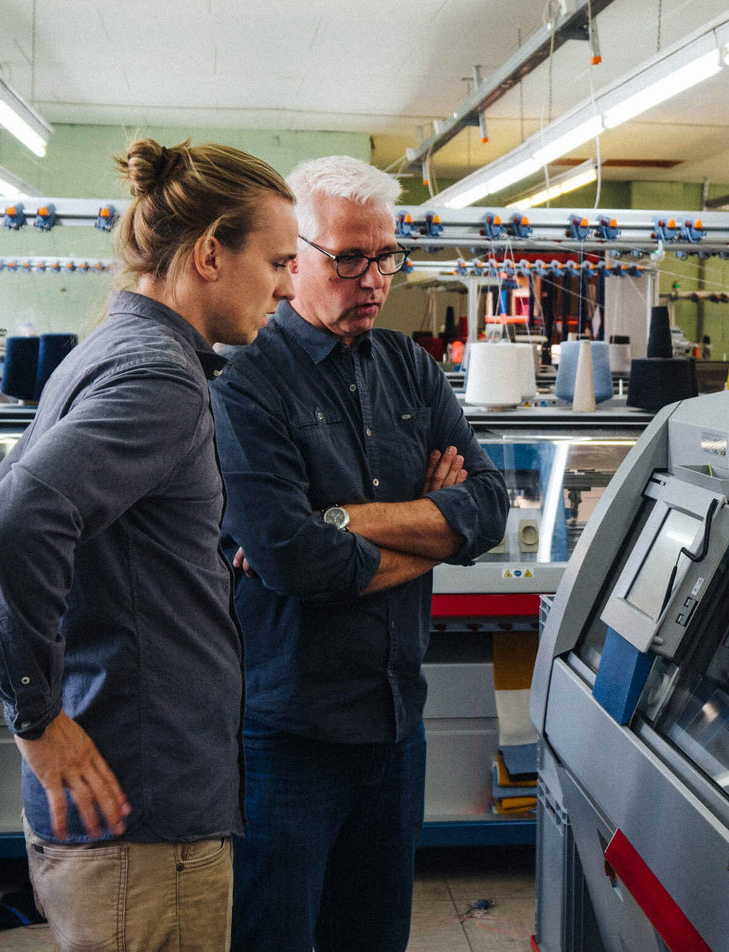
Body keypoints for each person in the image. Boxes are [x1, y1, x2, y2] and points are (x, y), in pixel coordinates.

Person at [0, 138, 297, 952]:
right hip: (143, 825)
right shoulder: (159, 377)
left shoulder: (109, 349)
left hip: (130, 803)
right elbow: (9, 527)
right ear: (210, 254)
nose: (289, 287)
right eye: (279, 262)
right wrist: (38, 719)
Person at [210, 156, 509, 952]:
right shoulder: (245, 387)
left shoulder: (410, 367)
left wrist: (343, 519)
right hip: (286, 737)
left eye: (386, 256)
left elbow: (486, 508)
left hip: (394, 725)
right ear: (293, 255)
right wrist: (430, 530)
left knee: (374, 938)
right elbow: (295, 561)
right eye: (349, 258)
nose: (373, 279)